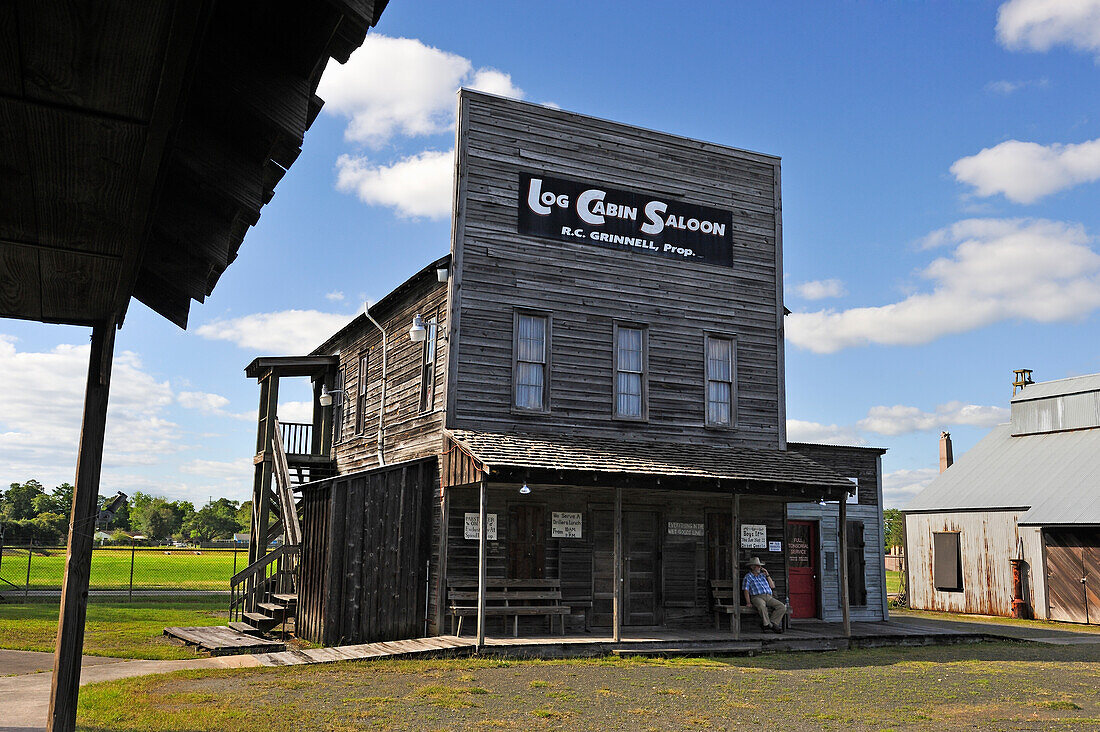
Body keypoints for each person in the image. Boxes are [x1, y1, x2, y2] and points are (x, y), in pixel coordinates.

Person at [742, 556, 785, 633]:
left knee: (781, 606)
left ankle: (772, 623)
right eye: (758, 566)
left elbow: (772, 586)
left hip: (768, 596)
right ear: (752, 567)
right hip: (757, 597)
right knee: (762, 606)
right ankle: (768, 625)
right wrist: (748, 602)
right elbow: (746, 590)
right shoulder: (748, 577)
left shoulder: (763, 575)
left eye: (760, 566)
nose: (760, 567)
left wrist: (767, 575)